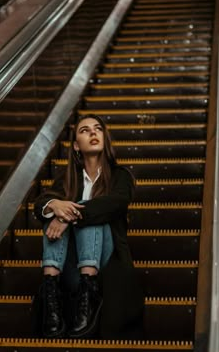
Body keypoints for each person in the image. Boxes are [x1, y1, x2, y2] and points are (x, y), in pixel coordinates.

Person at [34, 114, 144, 340]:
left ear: (105, 138)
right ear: (76, 145)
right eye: (85, 130)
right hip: (70, 262)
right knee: (53, 211)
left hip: (106, 260)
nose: (93, 133)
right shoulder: (66, 180)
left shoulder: (120, 177)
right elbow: (40, 204)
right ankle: (51, 294)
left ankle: (89, 293)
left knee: (79, 211)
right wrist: (54, 205)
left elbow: (117, 202)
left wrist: (67, 216)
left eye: (97, 129)